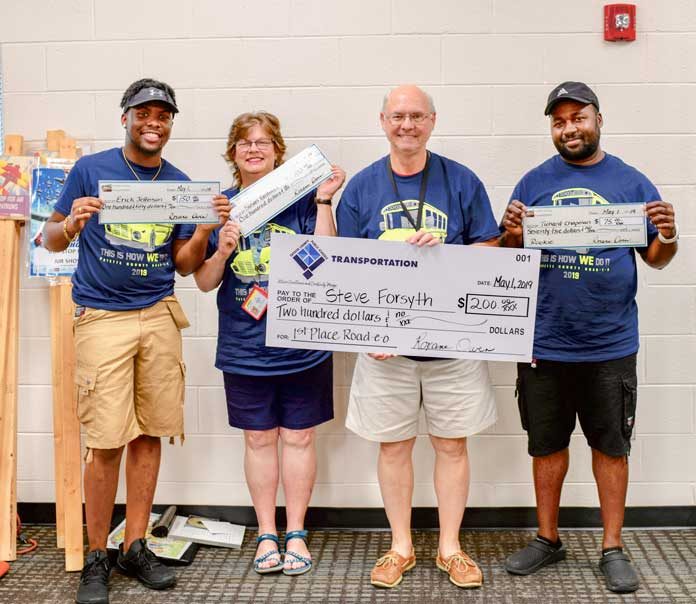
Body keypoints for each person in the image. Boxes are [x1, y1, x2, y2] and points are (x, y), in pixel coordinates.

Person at [43, 78, 229, 604]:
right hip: (102, 318)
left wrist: (198, 231)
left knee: (150, 432)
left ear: (171, 124)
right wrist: (72, 224)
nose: (153, 122)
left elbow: (185, 266)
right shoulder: (92, 170)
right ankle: (97, 555)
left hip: (159, 314)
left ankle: (136, 544)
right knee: (105, 439)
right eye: (143, 113)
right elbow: (49, 234)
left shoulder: (180, 184)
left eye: (163, 116)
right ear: (124, 117)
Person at [500, 81, 678, 594]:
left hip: (610, 343)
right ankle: (548, 539)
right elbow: (510, 260)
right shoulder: (532, 182)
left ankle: (612, 546)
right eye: (559, 121)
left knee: (610, 445)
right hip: (544, 342)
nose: (569, 128)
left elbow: (656, 259)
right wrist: (510, 233)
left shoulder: (630, 181)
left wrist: (666, 234)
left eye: (578, 117)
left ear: (599, 119)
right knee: (546, 445)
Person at [336, 85, 499, 590]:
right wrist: (366, 330)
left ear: (432, 121)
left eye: (417, 116)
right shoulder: (363, 187)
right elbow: (344, 268)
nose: (407, 125)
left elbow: (491, 248)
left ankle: (450, 546)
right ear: (382, 121)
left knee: (452, 445)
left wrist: (445, 253)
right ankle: (401, 545)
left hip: (451, 345)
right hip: (387, 349)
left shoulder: (461, 181)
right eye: (397, 116)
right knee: (393, 448)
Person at [180, 111, 345, 576]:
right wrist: (223, 247)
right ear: (233, 153)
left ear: (278, 151)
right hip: (245, 345)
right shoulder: (224, 207)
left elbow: (328, 260)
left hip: (303, 342)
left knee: (299, 436)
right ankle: (266, 532)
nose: (255, 150)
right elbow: (207, 282)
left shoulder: (301, 201)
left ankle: (296, 531)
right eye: (245, 143)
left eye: (264, 142)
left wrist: (325, 201)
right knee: (258, 439)